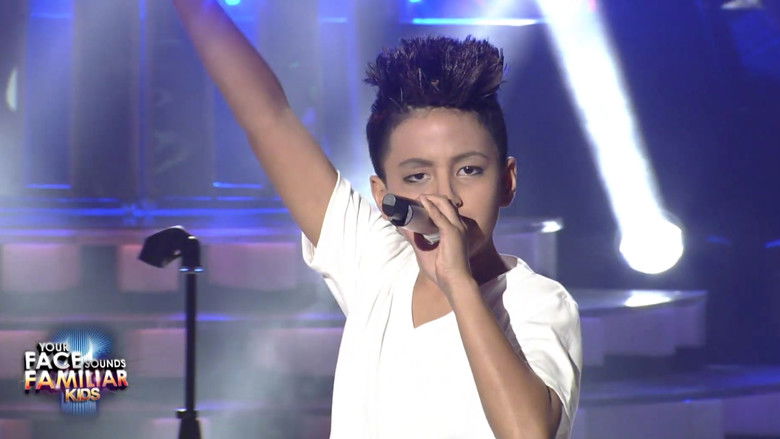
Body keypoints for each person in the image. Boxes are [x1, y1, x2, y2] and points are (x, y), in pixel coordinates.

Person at [172, 1, 582, 438]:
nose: (444, 196)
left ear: (507, 181)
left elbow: (528, 434)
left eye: (468, 170)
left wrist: (458, 282)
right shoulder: (377, 265)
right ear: (384, 196)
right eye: (417, 176)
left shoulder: (537, 303)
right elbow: (268, 118)